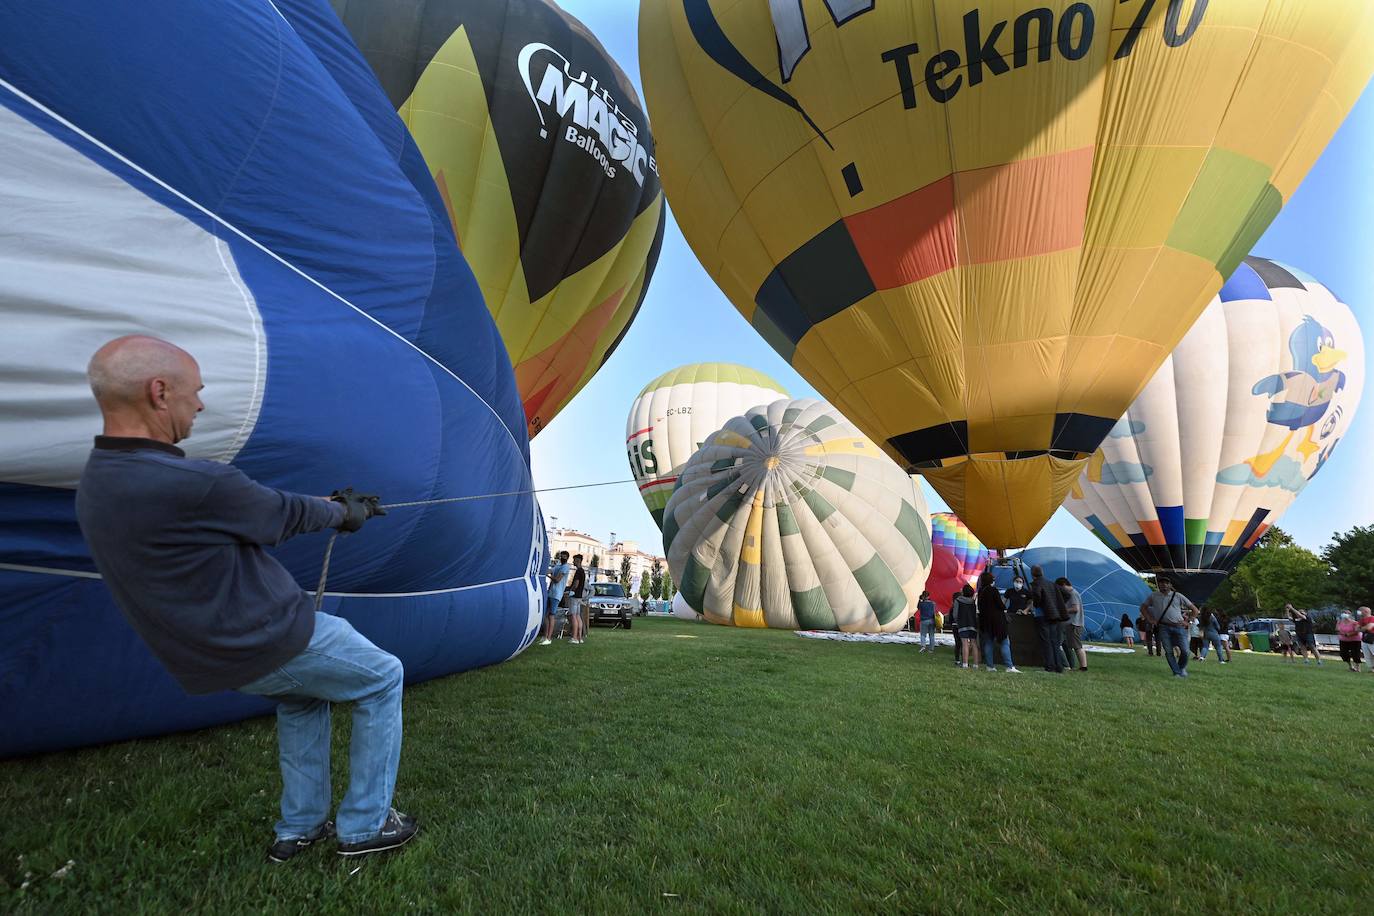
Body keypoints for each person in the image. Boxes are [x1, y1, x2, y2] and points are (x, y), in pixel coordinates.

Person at [74, 336, 413, 862]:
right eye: (194, 392)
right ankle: (365, 826)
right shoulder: (191, 482)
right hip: (273, 636)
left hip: (216, 657)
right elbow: (279, 513)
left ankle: (298, 828)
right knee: (383, 676)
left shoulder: (98, 483)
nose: (199, 404)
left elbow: (254, 507)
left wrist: (331, 504)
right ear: (159, 392)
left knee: (303, 699)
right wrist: (345, 512)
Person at [1140, 577, 1197, 677]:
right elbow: (1143, 607)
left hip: (1179, 626)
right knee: (1169, 651)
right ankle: (1177, 673)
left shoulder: (1178, 596)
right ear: (1158, 585)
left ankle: (1181, 668)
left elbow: (1195, 610)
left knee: (1185, 651)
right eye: (1161, 583)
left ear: (1170, 585)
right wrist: (1150, 619)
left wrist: (1189, 622)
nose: (1164, 585)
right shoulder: (1154, 596)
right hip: (1163, 627)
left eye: (1166, 583)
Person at [1029, 565, 1068, 674]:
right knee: (1054, 641)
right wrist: (1057, 605)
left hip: (1042, 615)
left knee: (1046, 641)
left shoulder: (1036, 583)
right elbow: (1067, 594)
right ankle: (1059, 667)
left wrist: (1037, 604)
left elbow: (1037, 595)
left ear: (1032, 574)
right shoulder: (1051, 583)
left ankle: (1049, 667)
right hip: (1054, 615)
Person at [977, 571, 1018, 673]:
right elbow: (1000, 604)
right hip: (997, 620)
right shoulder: (993, 590)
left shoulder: (981, 591)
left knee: (988, 643)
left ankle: (990, 666)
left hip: (985, 621)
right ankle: (1009, 666)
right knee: (1004, 642)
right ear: (990, 580)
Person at [1057, 577, 1088, 672]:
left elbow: (1075, 609)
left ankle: (1083, 667)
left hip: (1074, 624)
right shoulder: (1073, 593)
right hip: (1073, 623)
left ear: (1063, 585)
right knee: (1074, 646)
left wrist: (1063, 610)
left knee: (1077, 646)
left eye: (1060, 588)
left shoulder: (1073, 593)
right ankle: (1080, 666)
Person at [539, 551, 570, 644]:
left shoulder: (565, 567)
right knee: (546, 615)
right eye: (561, 556)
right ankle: (545, 636)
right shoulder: (558, 565)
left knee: (551, 615)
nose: (562, 558)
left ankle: (549, 638)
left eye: (564, 556)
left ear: (567, 558)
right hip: (550, 593)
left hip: (556, 594)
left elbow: (557, 580)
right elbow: (550, 570)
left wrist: (548, 575)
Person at [952, 583, 980, 669]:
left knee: (964, 643)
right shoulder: (973, 602)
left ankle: (965, 664)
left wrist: (958, 621)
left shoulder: (958, 601)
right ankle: (975, 664)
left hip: (962, 624)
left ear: (963, 592)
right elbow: (975, 614)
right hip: (973, 624)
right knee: (974, 643)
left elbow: (955, 614)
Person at [566, 554, 589, 645]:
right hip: (579, 597)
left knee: (573, 616)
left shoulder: (578, 571)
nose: (573, 562)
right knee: (578, 616)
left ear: (578, 561)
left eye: (574, 560)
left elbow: (576, 584)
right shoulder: (582, 571)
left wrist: (570, 591)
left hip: (575, 597)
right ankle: (580, 638)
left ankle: (574, 637)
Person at [1359, 606, 1374, 673]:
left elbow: (1369, 627)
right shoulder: (1361, 620)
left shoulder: (1372, 618)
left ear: (1365, 611)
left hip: (1372, 638)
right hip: (1365, 639)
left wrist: (1362, 628)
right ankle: (1372, 669)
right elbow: (1356, 629)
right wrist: (1365, 628)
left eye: (1360, 611)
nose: (1359, 612)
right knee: (1367, 655)